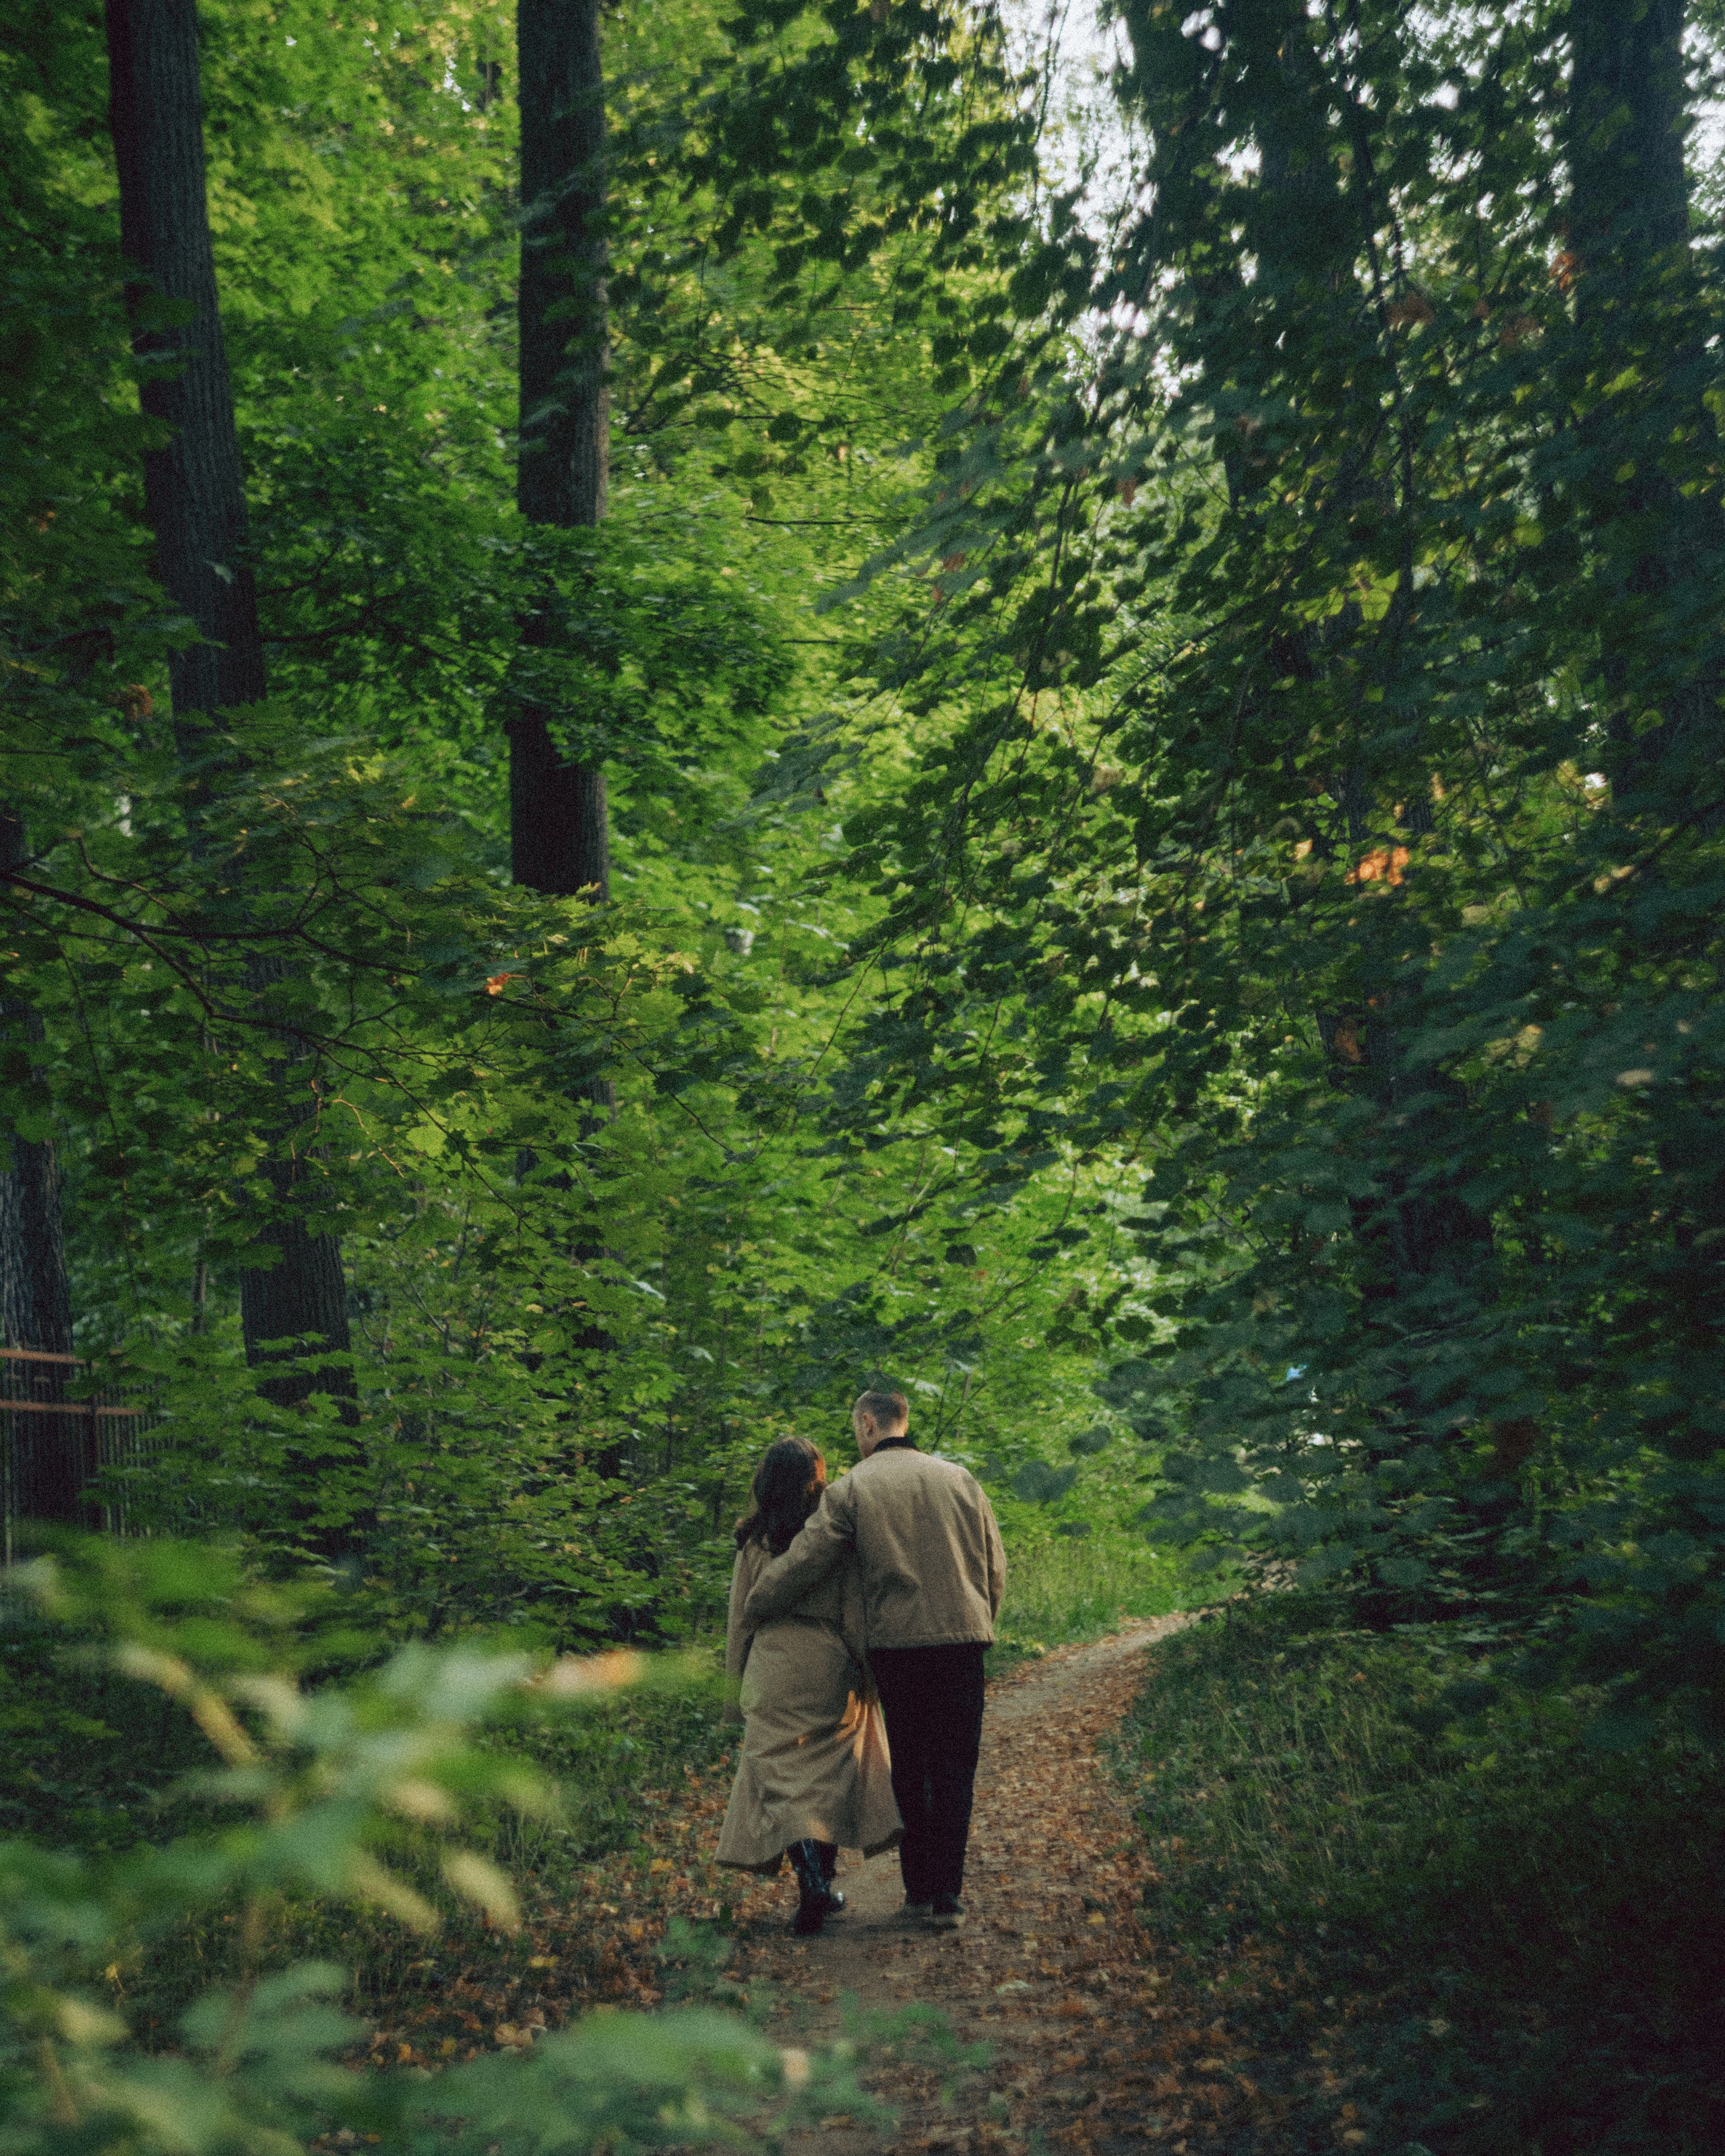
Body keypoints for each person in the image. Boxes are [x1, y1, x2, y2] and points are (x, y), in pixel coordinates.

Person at [743, 1390, 1005, 1931]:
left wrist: (759, 1597)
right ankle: (948, 1897)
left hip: (899, 1645)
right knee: (957, 1765)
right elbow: (993, 1563)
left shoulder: (853, 1488)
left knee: (911, 1765)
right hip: (964, 1639)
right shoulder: (961, 1479)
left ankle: (918, 1893)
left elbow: (807, 1559)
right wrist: (983, 1619)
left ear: (868, 1423)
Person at [716, 1434, 902, 1934]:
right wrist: (867, 1674)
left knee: (785, 1783)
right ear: (816, 1482)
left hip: (771, 1669)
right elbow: (853, 1615)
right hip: (826, 1667)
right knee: (827, 1781)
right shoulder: (833, 1540)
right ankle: (821, 1882)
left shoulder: (753, 1542)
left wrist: (734, 1694)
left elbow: (740, 1622)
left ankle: (812, 1884)